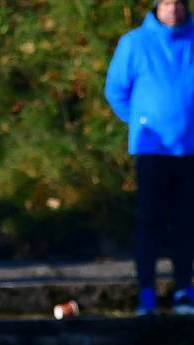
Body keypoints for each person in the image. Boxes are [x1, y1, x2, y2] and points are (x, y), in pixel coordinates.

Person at [105, 0, 194, 315]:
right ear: (157, 6)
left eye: (179, 3)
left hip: (189, 150)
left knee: (186, 223)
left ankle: (184, 289)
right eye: (167, 3)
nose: (173, 10)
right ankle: (147, 294)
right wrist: (142, 121)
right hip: (152, 151)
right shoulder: (134, 43)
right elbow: (116, 90)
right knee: (149, 223)